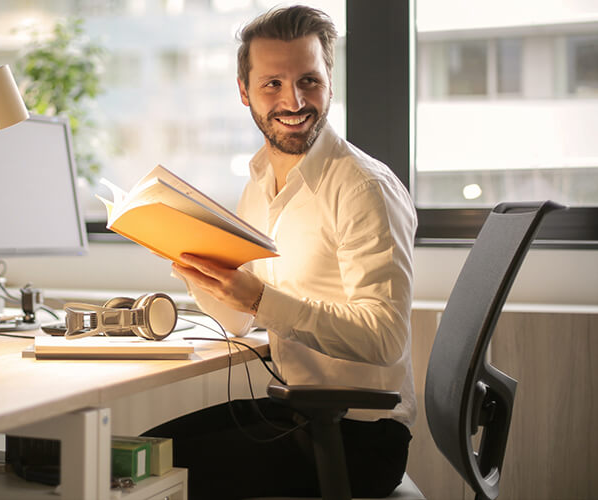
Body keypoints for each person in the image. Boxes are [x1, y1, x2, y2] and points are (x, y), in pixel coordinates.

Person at [143, 5, 417, 499]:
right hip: (298, 411)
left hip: (359, 437)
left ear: (329, 81)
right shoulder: (260, 181)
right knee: (140, 453)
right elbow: (239, 322)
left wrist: (259, 299)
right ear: (244, 92)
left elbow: (385, 337)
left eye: (309, 80)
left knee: (145, 478)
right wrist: (195, 269)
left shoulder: (363, 187)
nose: (294, 100)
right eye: (272, 84)